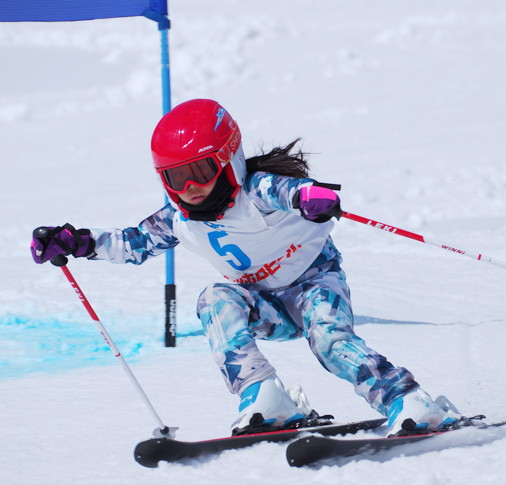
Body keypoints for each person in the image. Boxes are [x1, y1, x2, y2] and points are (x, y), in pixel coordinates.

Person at [30, 98, 463, 437]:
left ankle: (408, 403)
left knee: (330, 341)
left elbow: (290, 191)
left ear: (228, 159)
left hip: (314, 285)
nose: (192, 189)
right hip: (266, 304)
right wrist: (78, 241)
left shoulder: (256, 191)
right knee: (214, 299)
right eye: (176, 178)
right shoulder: (178, 218)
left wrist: (312, 198)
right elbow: (134, 244)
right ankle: (265, 397)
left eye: (200, 171)